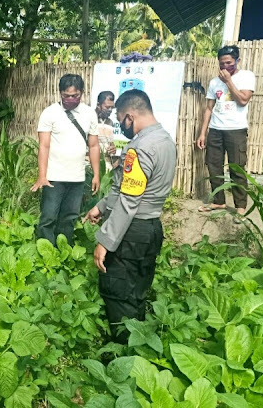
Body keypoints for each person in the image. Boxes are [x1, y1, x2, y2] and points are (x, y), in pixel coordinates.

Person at [83, 90, 176, 343]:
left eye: (121, 119)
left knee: (119, 292)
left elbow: (129, 201)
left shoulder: (140, 147)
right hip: (151, 228)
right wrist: (101, 206)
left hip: (131, 232)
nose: (122, 126)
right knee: (137, 291)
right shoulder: (165, 140)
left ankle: (124, 354)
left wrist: (105, 241)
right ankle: (140, 345)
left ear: (130, 117)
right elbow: (126, 187)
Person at [31, 74, 100, 246]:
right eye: (66, 96)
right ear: (60, 93)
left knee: (69, 217)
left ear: (82, 93)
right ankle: (45, 252)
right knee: (48, 216)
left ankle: (64, 251)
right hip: (53, 177)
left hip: (77, 177)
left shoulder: (89, 113)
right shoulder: (50, 113)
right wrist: (42, 176)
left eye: (74, 96)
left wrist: (96, 175)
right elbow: (44, 146)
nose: (70, 99)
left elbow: (93, 146)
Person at [196, 45, 255, 219]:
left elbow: (243, 100)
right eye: (221, 64)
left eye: (228, 63)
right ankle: (219, 201)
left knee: (237, 168)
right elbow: (208, 109)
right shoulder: (214, 82)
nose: (224, 67)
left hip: (236, 130)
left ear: (237, 61)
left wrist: (229, 81)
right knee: (214, 166)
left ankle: (241, 207)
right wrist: (202, 133)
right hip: (215, 129)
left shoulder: (246, 76)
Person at [96, 91, 118, 171]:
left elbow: (111, 144)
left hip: (106, 166)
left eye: (112, 107)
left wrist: (113, 149)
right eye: (107, 107)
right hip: (90, 164)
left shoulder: (110, 122)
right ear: (98, 105)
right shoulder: (90, 119)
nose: (110, 110)